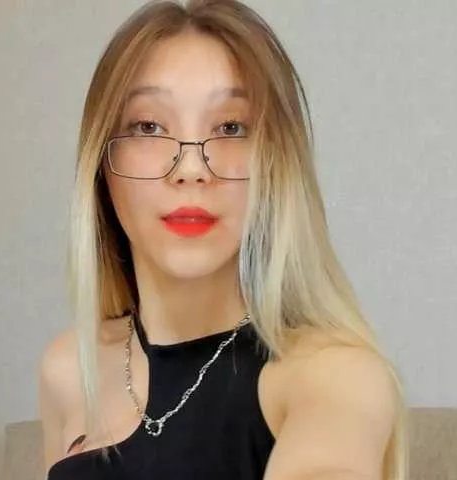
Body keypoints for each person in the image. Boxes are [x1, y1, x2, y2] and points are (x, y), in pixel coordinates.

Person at [39, 1, 408, 479]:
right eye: (149, 127)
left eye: (231, 128)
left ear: (276, 164)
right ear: (102, 165)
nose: (191, 169)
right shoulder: (69, 369)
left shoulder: (334, 376)